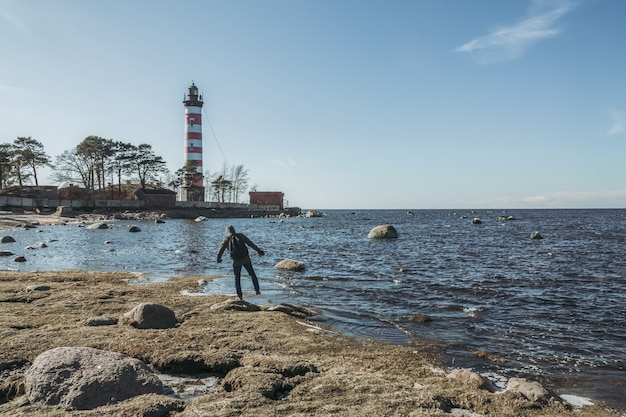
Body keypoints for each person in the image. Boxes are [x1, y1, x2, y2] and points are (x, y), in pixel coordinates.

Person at [217, 225, 265, 300]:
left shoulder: (226, 239)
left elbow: (220, 250)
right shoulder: (241, 236)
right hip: (245, 258)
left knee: (237, 277)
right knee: (252, 274)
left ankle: (240, 296)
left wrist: (218, 259)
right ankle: (257, 290)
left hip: (235, 261)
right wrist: (258, 250)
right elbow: (250, 243)